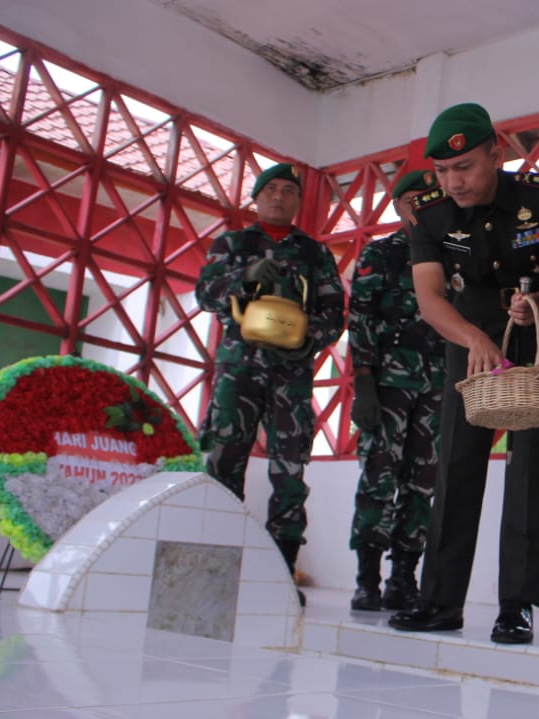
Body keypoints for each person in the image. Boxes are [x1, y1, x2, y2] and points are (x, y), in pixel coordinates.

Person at [388, 103, 539, 645]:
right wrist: (474, 338)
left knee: (531, 468)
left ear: (496, 152)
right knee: (457, 464)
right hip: (468, 336)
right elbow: (429, 297)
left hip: (536, 332)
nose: (452, 181)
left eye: (463, 167)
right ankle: (440, 600)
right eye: (442, 170)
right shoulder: (431, 214)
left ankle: (517, 605)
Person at [195, 163, 346, 607]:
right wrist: (242, 279)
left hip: (291, 375)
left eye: (288, 191)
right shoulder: (232, 243)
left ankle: (280, 577)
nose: (279, 197)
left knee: (291, 473)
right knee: (223, 466)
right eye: (271, 190)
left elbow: (334, 312)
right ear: (256, 198)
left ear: (299, 202)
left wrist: (305, 339)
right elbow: (205, 293)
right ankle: (215, 572)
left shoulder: (314, 253)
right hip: (238, 370)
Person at [347, 170, 446, 613]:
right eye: (414, 199)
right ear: (398, 206)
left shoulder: (453, 255)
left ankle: (403, 577)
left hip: (438, 385)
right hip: (388, 385)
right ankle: (368, 578)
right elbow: (360, 319)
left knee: (423, 481)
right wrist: (363, 383)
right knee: (378, 479)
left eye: (431, 198)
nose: (423, 205)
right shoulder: (381, 254)